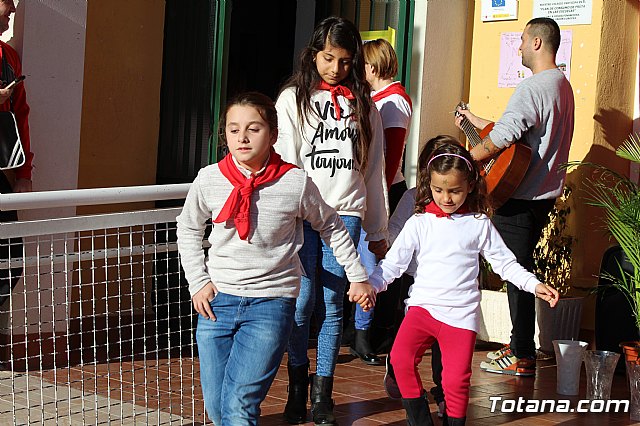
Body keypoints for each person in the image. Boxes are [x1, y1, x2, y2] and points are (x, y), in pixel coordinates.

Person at [176, 92, 375, 425]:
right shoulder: (209, 179)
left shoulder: (294, 182)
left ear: (273, 134)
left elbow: (332, 226)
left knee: (239, 404)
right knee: (217, 408)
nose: (242, 137)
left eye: (253, 128)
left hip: (270, 304)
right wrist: (198, 282)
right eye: (233, 129)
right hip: (217, 304)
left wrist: (356, 275)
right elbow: (188, 228)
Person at [369, 141, 559, 425]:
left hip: (461, 316)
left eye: (454, 191)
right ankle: (419, 419)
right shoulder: (419, 223)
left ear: (470, 186)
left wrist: (533, 284)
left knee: (456, 381)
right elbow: (393, 264)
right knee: (400, 359)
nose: (446, 198)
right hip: (422, 308)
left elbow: (505, 263)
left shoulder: (479, 223)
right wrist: (370, 285)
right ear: (428, 185)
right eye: (438, 190)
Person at [274, 16, 388, 425]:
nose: (336, 68)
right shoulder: (292, 99)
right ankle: (296, 388)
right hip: (304, 214)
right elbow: (285, 162)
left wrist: (377, 230)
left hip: (347, 213)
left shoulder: (365, 106)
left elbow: (373, 170)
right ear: (313, 53)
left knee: (333, 303)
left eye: (344, 61)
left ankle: (324, 393)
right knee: (302, 303)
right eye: (328, 58)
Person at [455, 17, 574, 376]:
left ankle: (522, 352)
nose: (519, 47)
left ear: (537, 43)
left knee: (515, 272)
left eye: (522, 40)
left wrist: (462, 160)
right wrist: (473, 120)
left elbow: (503, 138)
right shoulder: (561, 85)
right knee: (522, 270)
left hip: (519, 196)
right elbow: (519, 131)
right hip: (544, 195)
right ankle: (520, 342)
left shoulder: (533, 87)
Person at [383, 136, 462, 419]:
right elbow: (393, 232)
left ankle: (442, 391)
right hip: (415, 279)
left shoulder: (466, 208)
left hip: (450, 289)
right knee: (404, 331)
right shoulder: (412, 198)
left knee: (445, 344)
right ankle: (396, 370)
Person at [347, 38, 413, 365]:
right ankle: (358, 331)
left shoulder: (394, 102)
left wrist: (377, 202)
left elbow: (390, 157)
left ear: (372, 67)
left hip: (383, 192)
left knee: (373, 261)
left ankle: (366, 334)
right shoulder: (378, 98)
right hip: (371, 190)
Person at [0, 0, 33, 306]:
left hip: (2, 175)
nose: (11, 9)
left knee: (10, 258)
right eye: (6, 2)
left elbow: (21, 113)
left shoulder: (9, 56)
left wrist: (23, 174)